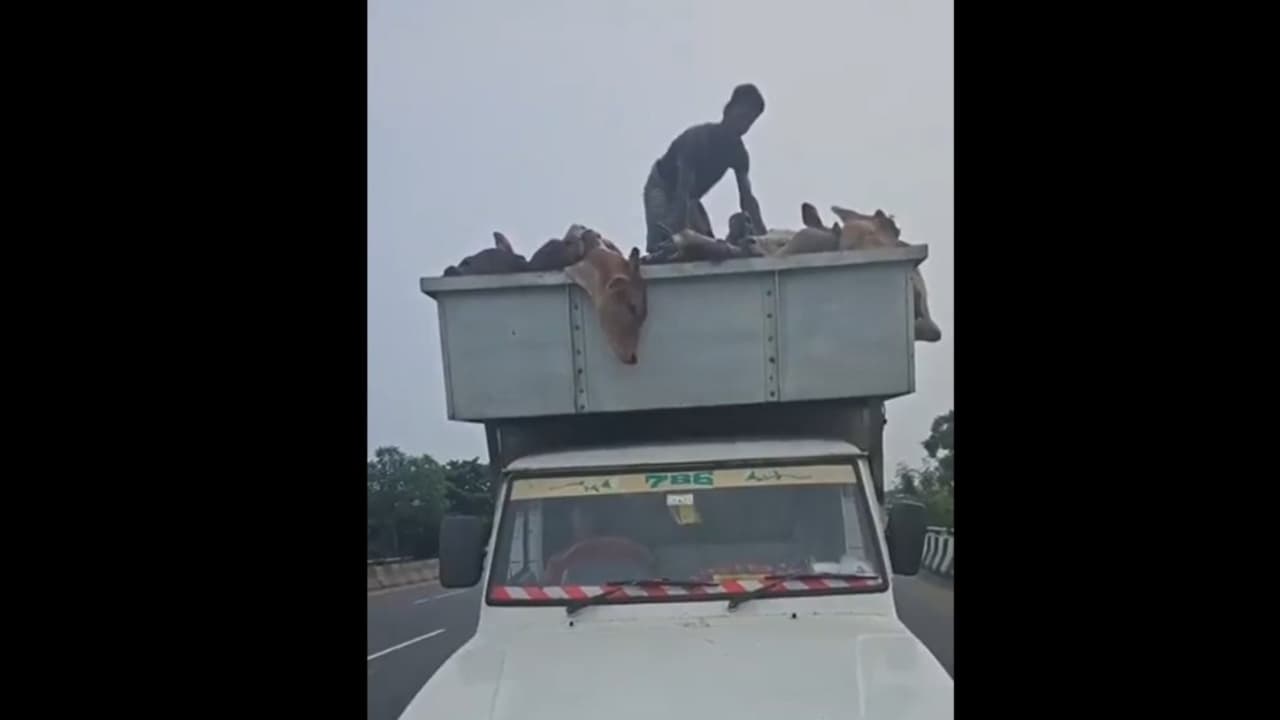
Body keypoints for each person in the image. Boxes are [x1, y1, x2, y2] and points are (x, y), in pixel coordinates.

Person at [643, 83, 767, 253]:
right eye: (741, 116)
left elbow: (747, 199)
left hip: (690, 198)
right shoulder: (697, 139)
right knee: (664, 242)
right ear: (728, 110)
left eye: (749, 122)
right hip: (663, 186)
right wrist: (679, 235)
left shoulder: (739, 154)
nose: (743, 125)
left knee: (704, 242)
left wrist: (763, 238)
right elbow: (682, 191)